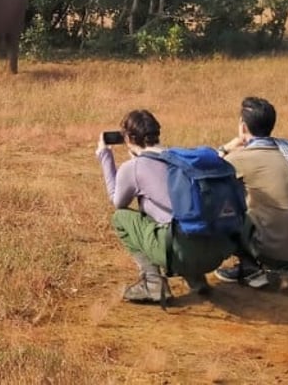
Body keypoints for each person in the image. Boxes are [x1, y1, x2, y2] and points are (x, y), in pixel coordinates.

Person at [96, 110, 236, 305]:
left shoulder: (135, 167)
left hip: (181, 253)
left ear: (128, 138)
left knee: (121, 218)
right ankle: (195, 278)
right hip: (215, 253)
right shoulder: (180, 159)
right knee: (175, 214)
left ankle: (153, 283)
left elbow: (117, 202)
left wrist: (105, 156)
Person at [215, 97, 288, 288]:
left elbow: (209, 171)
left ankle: (251, 269)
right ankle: (287, 267)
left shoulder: (240, 158)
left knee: (223, 211)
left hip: (272, 248)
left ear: (243, 126)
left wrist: (227, 147)